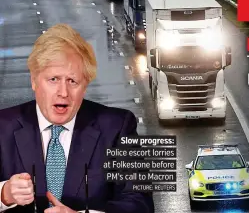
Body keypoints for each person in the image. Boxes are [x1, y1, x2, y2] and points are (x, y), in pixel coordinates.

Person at [0, 24, 154, 213]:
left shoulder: (118, 127)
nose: (63, 92)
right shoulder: (2, 127)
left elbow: (140, 203)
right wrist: (3, 194)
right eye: (53, 79)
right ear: (34, 80)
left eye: (72, 81)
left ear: (85, 86)